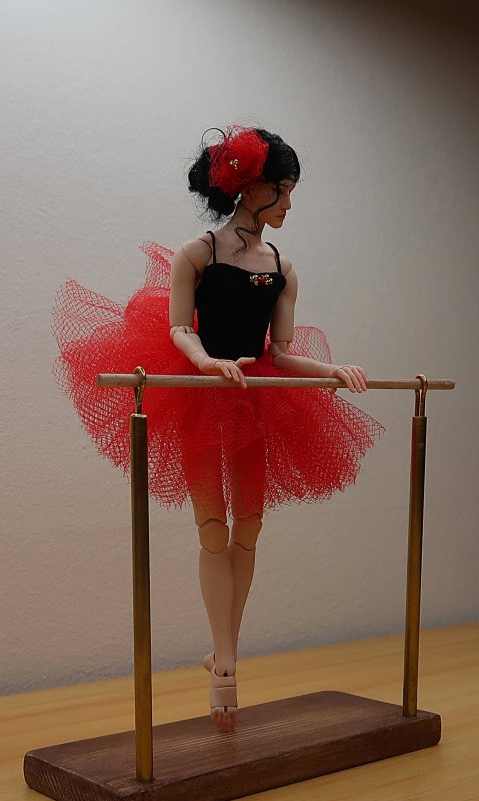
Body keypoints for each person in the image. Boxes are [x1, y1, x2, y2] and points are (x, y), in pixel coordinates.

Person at [52, 125, 384, 732]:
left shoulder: (282, 267)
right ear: (250, 187)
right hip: (204, 396)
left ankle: (224, 648)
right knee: (213, 530)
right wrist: (205, 361)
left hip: (255, 397)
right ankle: (225, 662)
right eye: (283, 190)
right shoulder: (197, 254)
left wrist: (333, 370)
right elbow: (180, 328)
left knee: (248, 530)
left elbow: (280, 352)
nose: (289, 204)